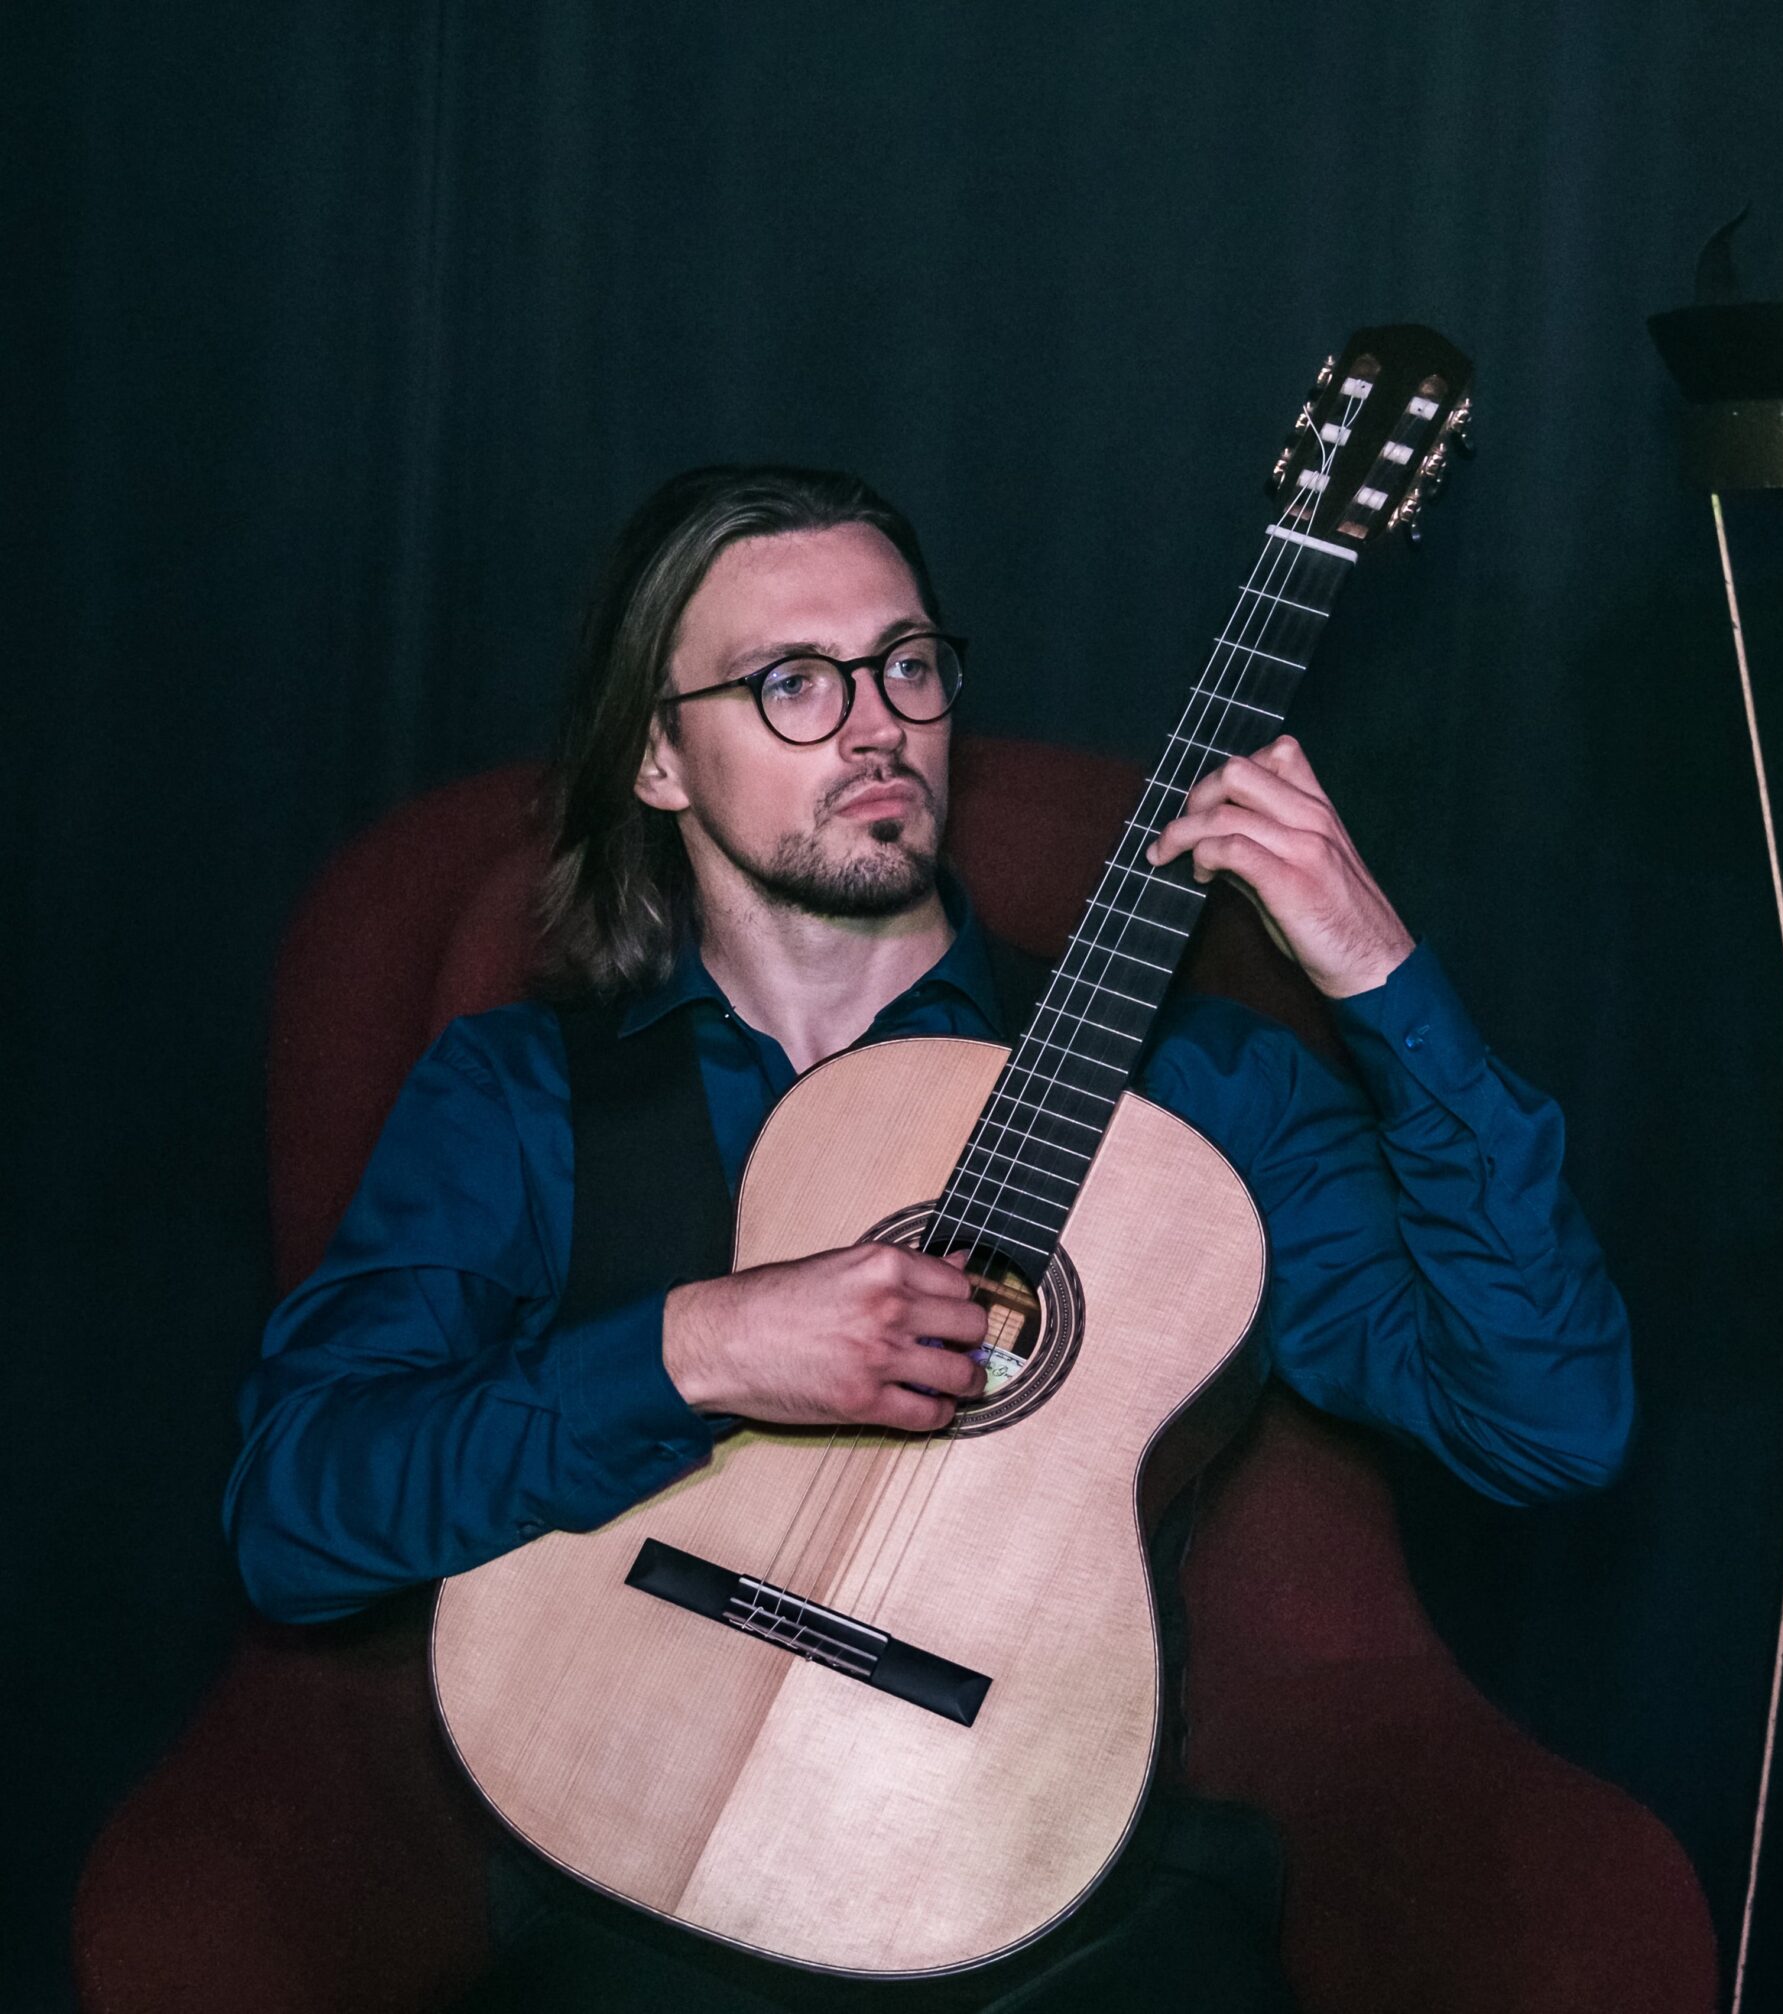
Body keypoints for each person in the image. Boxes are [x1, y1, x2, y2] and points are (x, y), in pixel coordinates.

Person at [224, 464, 1634, 2011]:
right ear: (658, 759)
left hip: (1051, 1890)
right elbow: (295, 1520)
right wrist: (695, 1349)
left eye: (905, 663)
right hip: (633, 1881)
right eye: (793, 682)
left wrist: (1384, 982)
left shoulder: (1195, 1092)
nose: (877, 724)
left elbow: (1545, 1427)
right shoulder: (519, 1095)